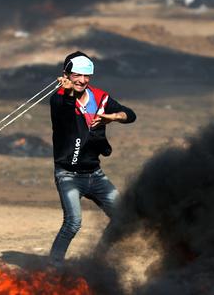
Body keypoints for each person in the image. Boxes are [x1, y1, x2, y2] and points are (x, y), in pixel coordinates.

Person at [48, 51, 136, 266]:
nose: (82, 80)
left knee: (123, 217)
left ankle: (97, 259)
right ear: (66, 75)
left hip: (94, 174)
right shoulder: (58, 99)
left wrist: (112, 117)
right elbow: (66, 118)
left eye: (87, 76)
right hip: (68, 174)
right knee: (73, 223)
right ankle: (53, 269)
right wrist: (68, 94)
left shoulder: (100, 98)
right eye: (77, 75)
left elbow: (130, 115)